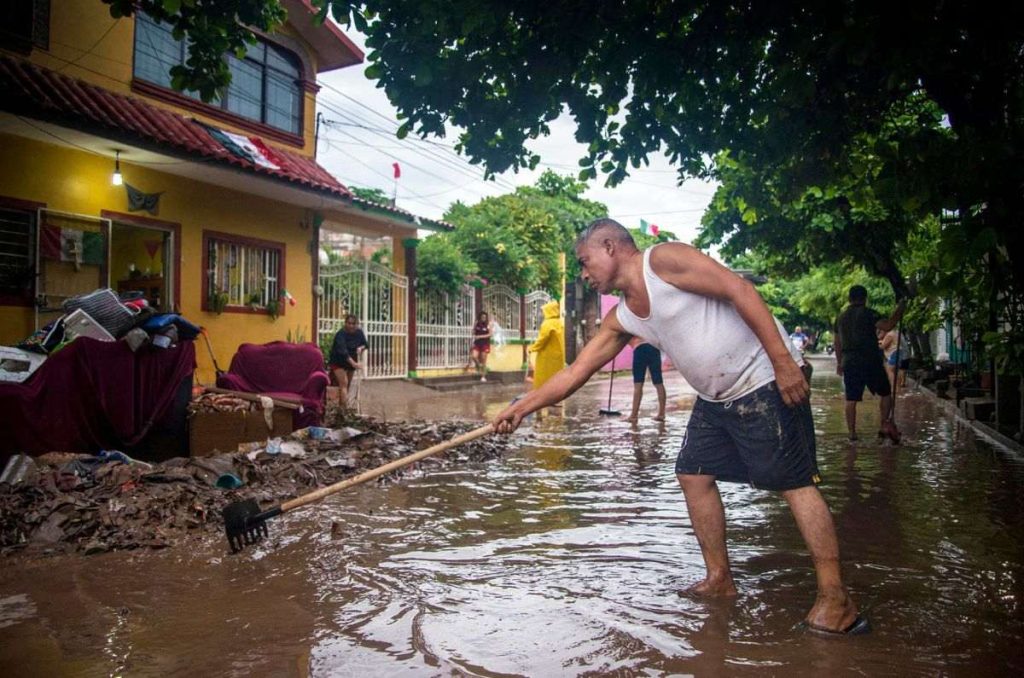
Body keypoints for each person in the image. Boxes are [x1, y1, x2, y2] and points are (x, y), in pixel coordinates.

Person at [493, 219, 866, 635]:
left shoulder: (664, 261)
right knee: (693, 473)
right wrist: (522, 407)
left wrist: (783, 362)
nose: (583, 273)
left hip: (763, 377)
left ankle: (837, 598)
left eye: (584, 261)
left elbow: (739, 290)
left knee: (793, 482)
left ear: (611, 247)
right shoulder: (623, 319)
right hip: (715, 400)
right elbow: (576, 371)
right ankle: (720, 579)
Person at [834, 286, 905, 443]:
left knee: (851, 398)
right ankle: (883, 425)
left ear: (849, 299)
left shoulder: (841, 317)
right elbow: (888, 325)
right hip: (870, 360)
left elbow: (837, 342)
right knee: (885, 393)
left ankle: (852, 433)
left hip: (849, 361)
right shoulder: (869, 313)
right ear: (865, 298)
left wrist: (839, 363)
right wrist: (900, 308)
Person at [328, 314, 368, 411]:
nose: (351, 326)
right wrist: (354, 364)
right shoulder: (340, 335)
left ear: (357, 324)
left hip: (351, 361)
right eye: (349, 323)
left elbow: (365, 344)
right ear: (345, 323)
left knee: (347, 385)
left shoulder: (359, 333)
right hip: (338, 361)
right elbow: (343, 352)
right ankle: (344, 411)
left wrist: (360, 347)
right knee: (344, 383)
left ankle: (341, 407)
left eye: (353, 324)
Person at [626, 336, 667, 422]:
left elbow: (625, 338)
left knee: (638, 384)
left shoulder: (632, 324)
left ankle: (634, 415)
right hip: (653, 348)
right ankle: (661, 414)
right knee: (658, 382)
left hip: (640, 349)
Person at [528, 300, 565, 390]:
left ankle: (542, 396)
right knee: (556, 377)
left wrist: (532, 348)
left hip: (547, 356)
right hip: (558, 355)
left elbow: (542, 340)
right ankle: (555, 398)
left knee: (544, 377)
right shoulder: (559, 322)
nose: (543, 313)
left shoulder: (547, 324)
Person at [470, 311, 494, 382]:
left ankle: (483, 376)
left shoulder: (488, 324)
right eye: (482, 317)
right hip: (477, 343)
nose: (484, 318)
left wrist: (480, 336)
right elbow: (473, 332)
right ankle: (478, 365)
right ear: (480, 317)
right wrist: (474, 329)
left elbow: (490, 334)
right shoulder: (477, 323)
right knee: (474, 356)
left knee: (483, 359)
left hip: (485, 343)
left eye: (485, 317)